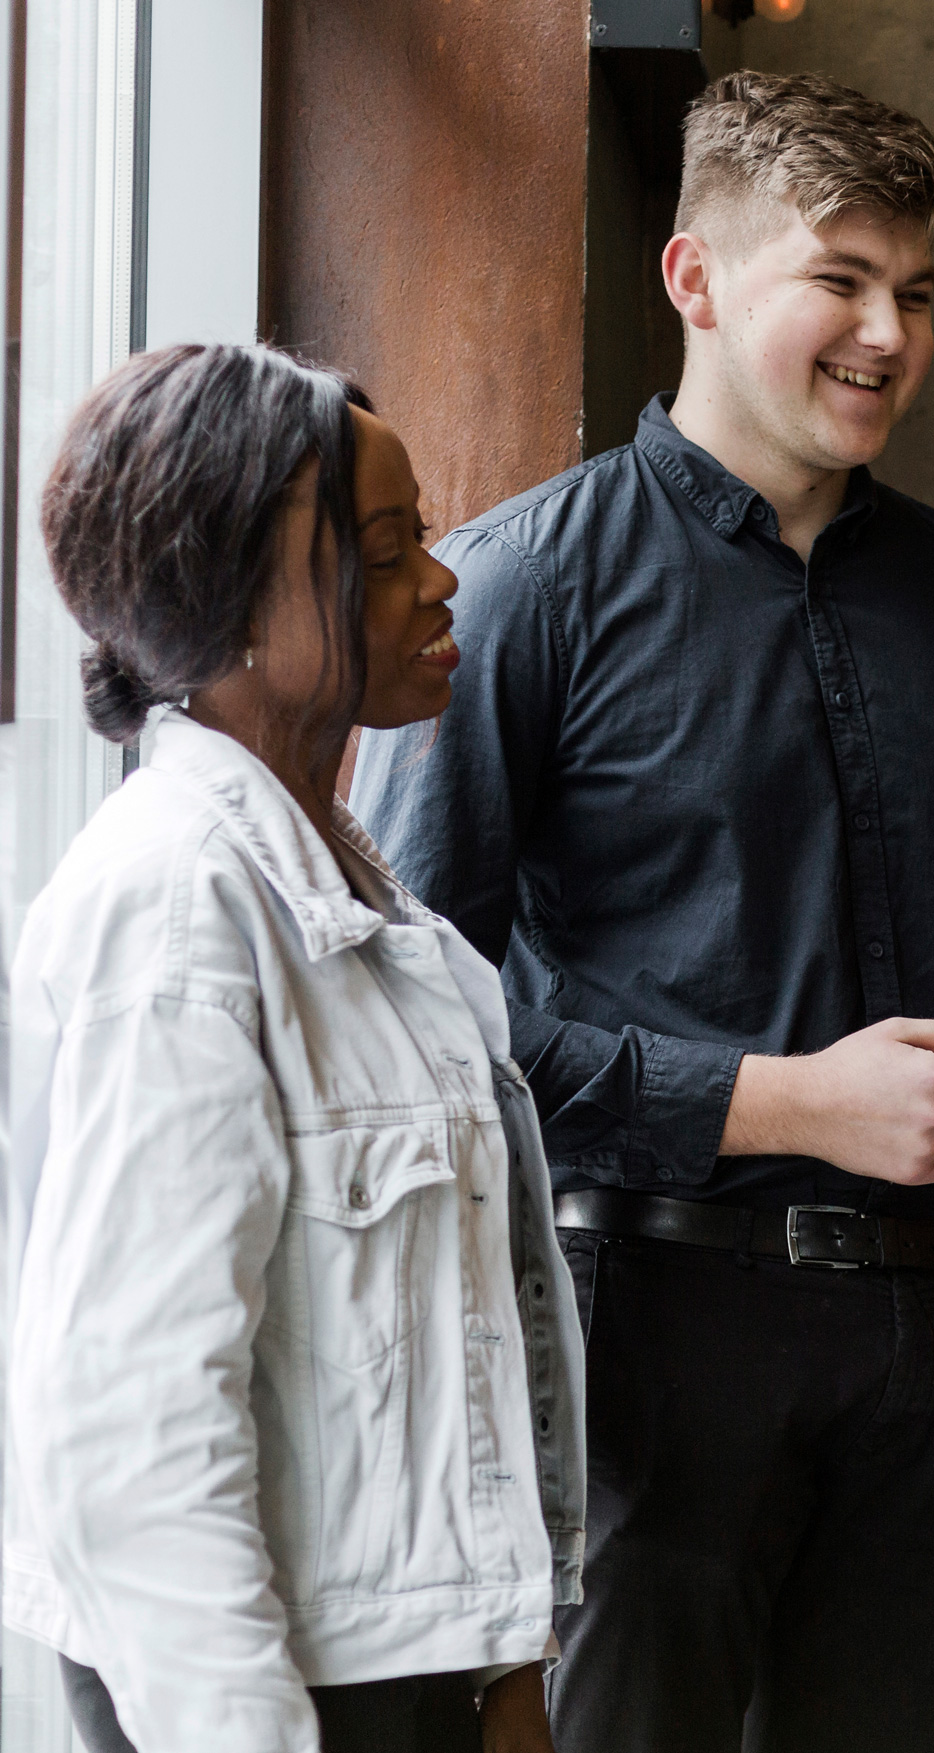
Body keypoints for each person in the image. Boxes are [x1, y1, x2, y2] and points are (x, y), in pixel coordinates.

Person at [351, 69, 934, 1753]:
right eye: (839, 279)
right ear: (696, 280)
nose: (887, 333)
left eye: (915, 290)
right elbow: (413, 1025)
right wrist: (782, 1103)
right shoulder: (514, 591)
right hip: (654, 1352)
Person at [5, 343, 585, 1753]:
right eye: (386, 553)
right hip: (275, 1699)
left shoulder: (363, 906)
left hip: (402, 1681)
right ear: (244, 604)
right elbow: (133, 1433)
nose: (443, 578)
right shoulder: (178, 906)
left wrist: (509, 1682)